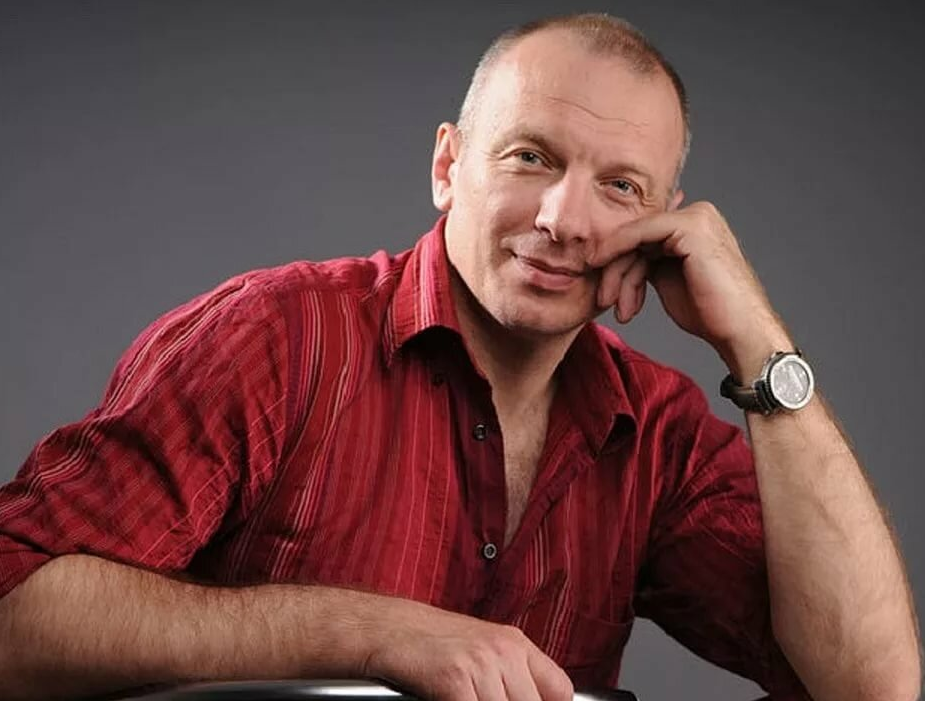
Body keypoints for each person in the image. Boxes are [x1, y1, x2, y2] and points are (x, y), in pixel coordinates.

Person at [0, 12, 919, 701]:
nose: (562, 219)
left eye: (619, 186)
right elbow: (15, 611)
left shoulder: (658, 437)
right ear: (448, 166)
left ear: (662, 220)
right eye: (530, 157)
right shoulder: (276, 340)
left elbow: (869, 686)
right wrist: (367, 631)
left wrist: (759, 344)